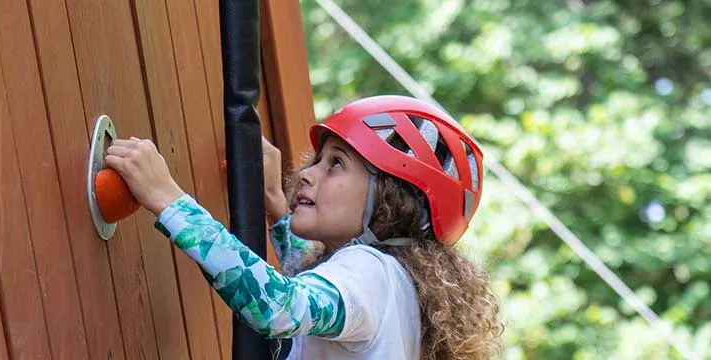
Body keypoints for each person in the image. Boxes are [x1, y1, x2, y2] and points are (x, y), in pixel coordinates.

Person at [105, 95, 503, 360]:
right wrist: (278, 208)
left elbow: (279, 307)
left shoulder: (370, 271)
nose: (307, 174)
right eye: (317, 160)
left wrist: (167, 198)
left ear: (389, 200)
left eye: (336, 164)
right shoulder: (396, 286)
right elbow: (315, 295)